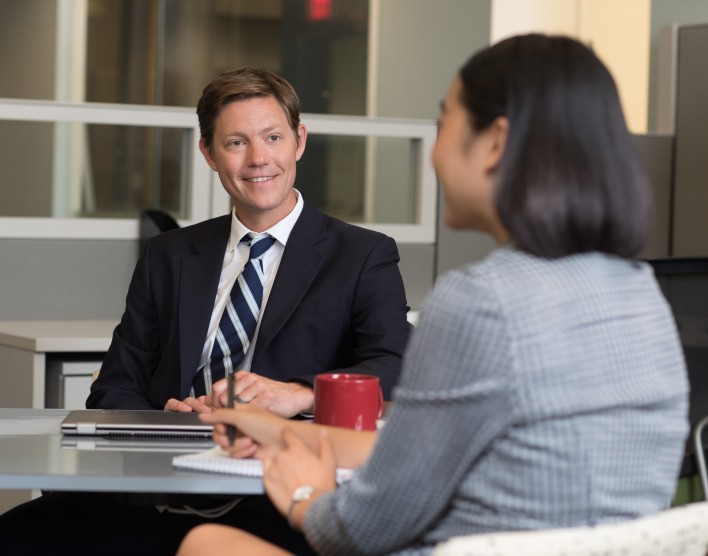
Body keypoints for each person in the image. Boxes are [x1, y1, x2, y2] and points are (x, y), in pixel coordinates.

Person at [176, 34, 690, 556]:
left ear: (495, 143)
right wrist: (282, 434)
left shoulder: (482, 300)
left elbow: (360, 529)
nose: (435, 154)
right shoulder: (639, 292)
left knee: (206, 542)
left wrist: (305, 497)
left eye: (445, 123)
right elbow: (415, 451)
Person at [0, 67, 411, 556]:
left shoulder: (362, 255)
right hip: (168, 480)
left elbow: (393, 369)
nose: (258, 159)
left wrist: (297, 396)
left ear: (299, 140)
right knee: (18, 534)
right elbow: (115, 386)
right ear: (208, 153)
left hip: (277, 488)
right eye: (236, 143)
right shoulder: (169, 255)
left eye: (272, 137)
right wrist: (165, 419)